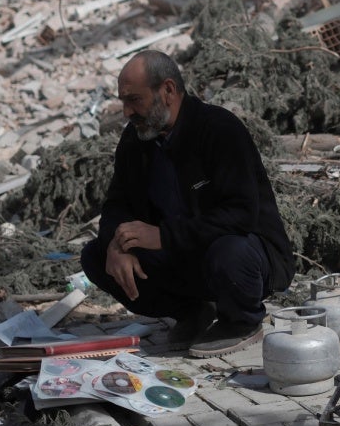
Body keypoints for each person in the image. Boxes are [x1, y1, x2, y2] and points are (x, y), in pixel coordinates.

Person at [80, 50, 295, 357]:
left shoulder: (219, 130)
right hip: (184, 257)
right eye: (123, 101)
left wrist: (163, 236)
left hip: (247, 256)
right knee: (96, 257)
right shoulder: (136, 140)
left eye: (134, 100)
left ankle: (242, 321)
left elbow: (240, 215)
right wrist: (116, 245)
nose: (126, 112)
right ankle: (193, 312)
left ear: (167, 91)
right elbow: (116, 204)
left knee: (229, 252)